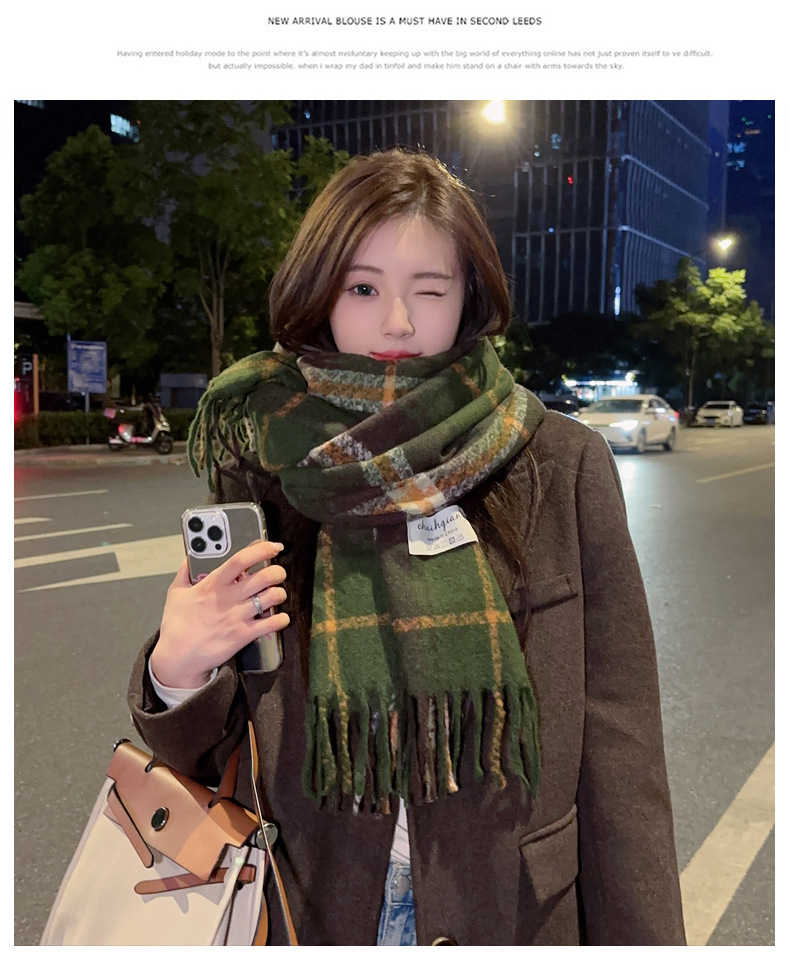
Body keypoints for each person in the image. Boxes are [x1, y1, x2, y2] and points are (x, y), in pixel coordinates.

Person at [128, 148, 686, 946]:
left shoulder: (559, 464)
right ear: (320, 294)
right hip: (309, 908)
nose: (397, 321)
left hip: (513, 912)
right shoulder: (265, 462)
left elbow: (622, 748)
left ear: (470, 297)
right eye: (363, 288)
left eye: (430, 289)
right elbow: (212, 750)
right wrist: (178, 671)